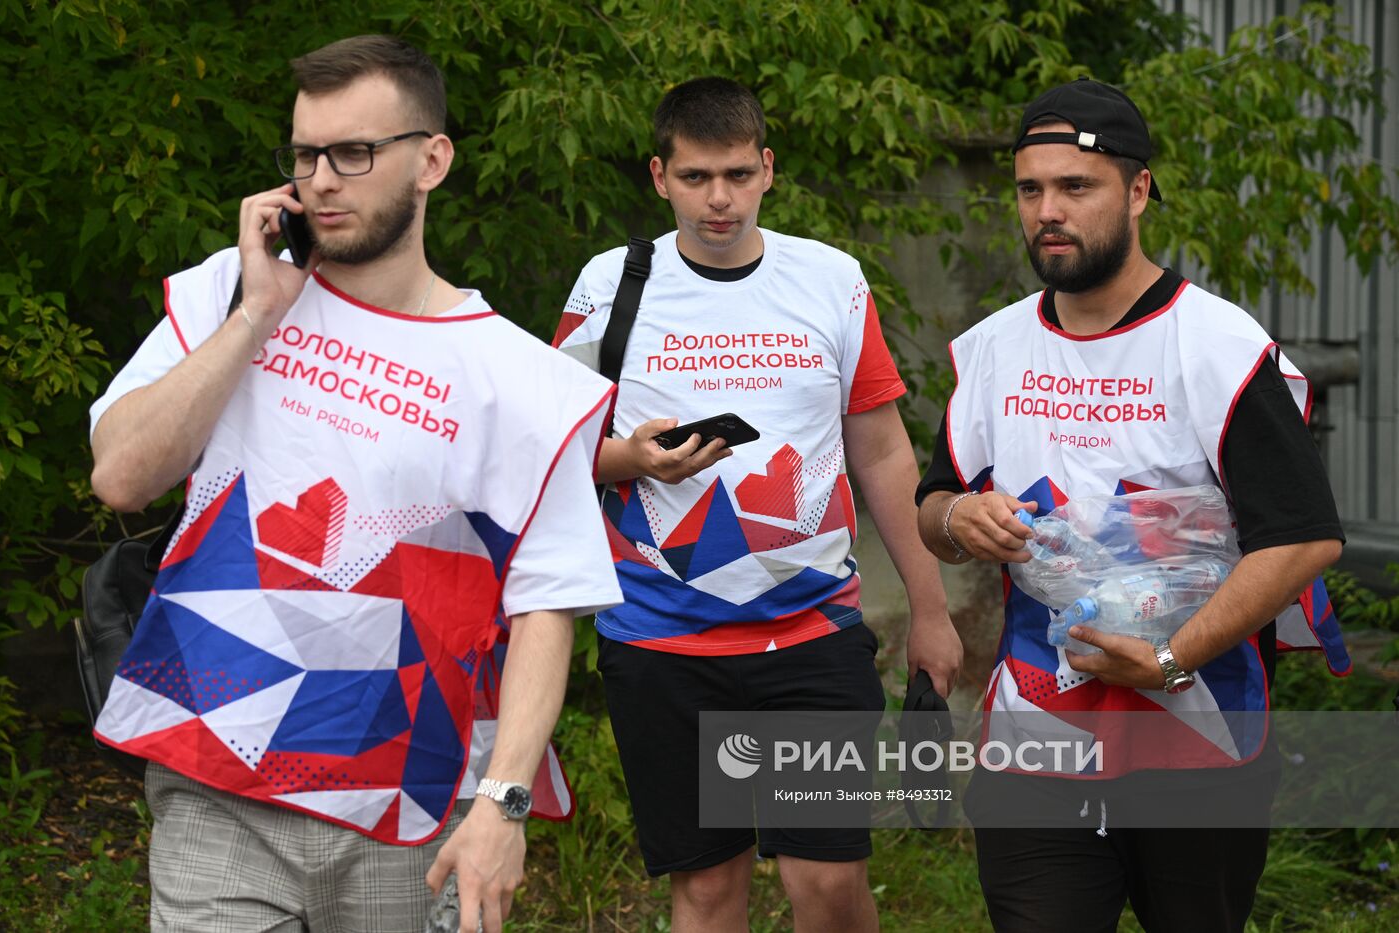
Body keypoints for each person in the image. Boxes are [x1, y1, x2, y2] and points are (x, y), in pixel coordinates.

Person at [88, 35, 621, 933]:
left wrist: (505, 804)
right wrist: (259, 312)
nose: (322, 180)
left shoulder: (524, 381)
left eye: (354, 153)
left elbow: (547, 605)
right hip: (215, 770)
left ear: (432, 161)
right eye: (305, 154)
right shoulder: (231, 292)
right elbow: (123, 475)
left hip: (416, 808)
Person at [915, 77, 1351, 932]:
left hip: (1199, 728)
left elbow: (1303, 540)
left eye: (1076, 187)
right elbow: (935, 504)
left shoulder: (1219, 345)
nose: (1049, 210)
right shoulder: (995, 349)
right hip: (1039, 728)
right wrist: (956, 521)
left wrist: (1171, 659)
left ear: (1139, 189)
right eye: (1031, 189)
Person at [552, 77, 961, 933]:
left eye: (737, 173)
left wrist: (931, 607)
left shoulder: (832, 279)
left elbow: (881, 448)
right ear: (659, 175)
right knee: (706, 891)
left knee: (827, 883)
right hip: (661, 639)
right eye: (697, 177)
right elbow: (550, 450)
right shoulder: (609, 285)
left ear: (768, 168)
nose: (719, 199)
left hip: (809, 637)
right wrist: (632, 459)